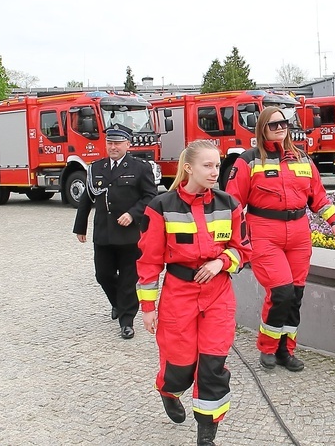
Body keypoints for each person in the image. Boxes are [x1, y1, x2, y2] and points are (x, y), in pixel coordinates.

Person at [137, 140, 251, 446]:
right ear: (188, 168)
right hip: (179, 295)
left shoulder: (229, 205)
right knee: (180, 365)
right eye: (208, 166)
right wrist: (148, 308)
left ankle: (207, 434)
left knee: (213, 366)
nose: (215, 172)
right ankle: (168, 390)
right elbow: (149, 261)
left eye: (218, 165)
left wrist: (221, 261)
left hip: (218, 295)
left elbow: (243, 250)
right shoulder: (161, 207)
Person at [225, 106, 335, 372]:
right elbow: (233, 204)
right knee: (281, 291)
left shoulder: (303, 159)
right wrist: (231, 243)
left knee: (296, 295)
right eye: (274, 125)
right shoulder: (249, 161)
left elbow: (319, 196)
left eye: (284, 124)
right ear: (262, 129)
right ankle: (267, 346)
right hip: (265, 232)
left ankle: (285, 350)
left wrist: (333, 222)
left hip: (299, 233)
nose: (280, 128)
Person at [73, 125, 157, 339]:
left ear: (128, 145)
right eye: (110, 143)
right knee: (103, 275)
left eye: (118, 143)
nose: (113, 147)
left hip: (129, 235)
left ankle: (127, 321)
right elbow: (87, 198)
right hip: (104, 233)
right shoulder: (96, 168)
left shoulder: (140, 168)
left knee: (129, 279)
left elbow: (150, 197)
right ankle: (118, 303)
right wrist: (80, 226)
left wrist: (133, 214)